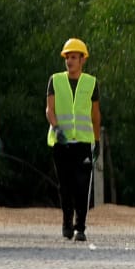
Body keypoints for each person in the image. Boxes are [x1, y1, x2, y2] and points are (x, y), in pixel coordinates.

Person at [46, 37, 102, 242]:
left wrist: (97, 141)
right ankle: (66, 223)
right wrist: (56, 127)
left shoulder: (91, 83)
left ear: (82, 60)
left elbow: (95, 115)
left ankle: (80, 227)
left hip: (83, 143)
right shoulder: (55, 80)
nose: (69, 61)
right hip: (61, 143)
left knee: (82, 185)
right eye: (67, 57)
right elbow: (49, 109)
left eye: (73, 57)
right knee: (65, 186)